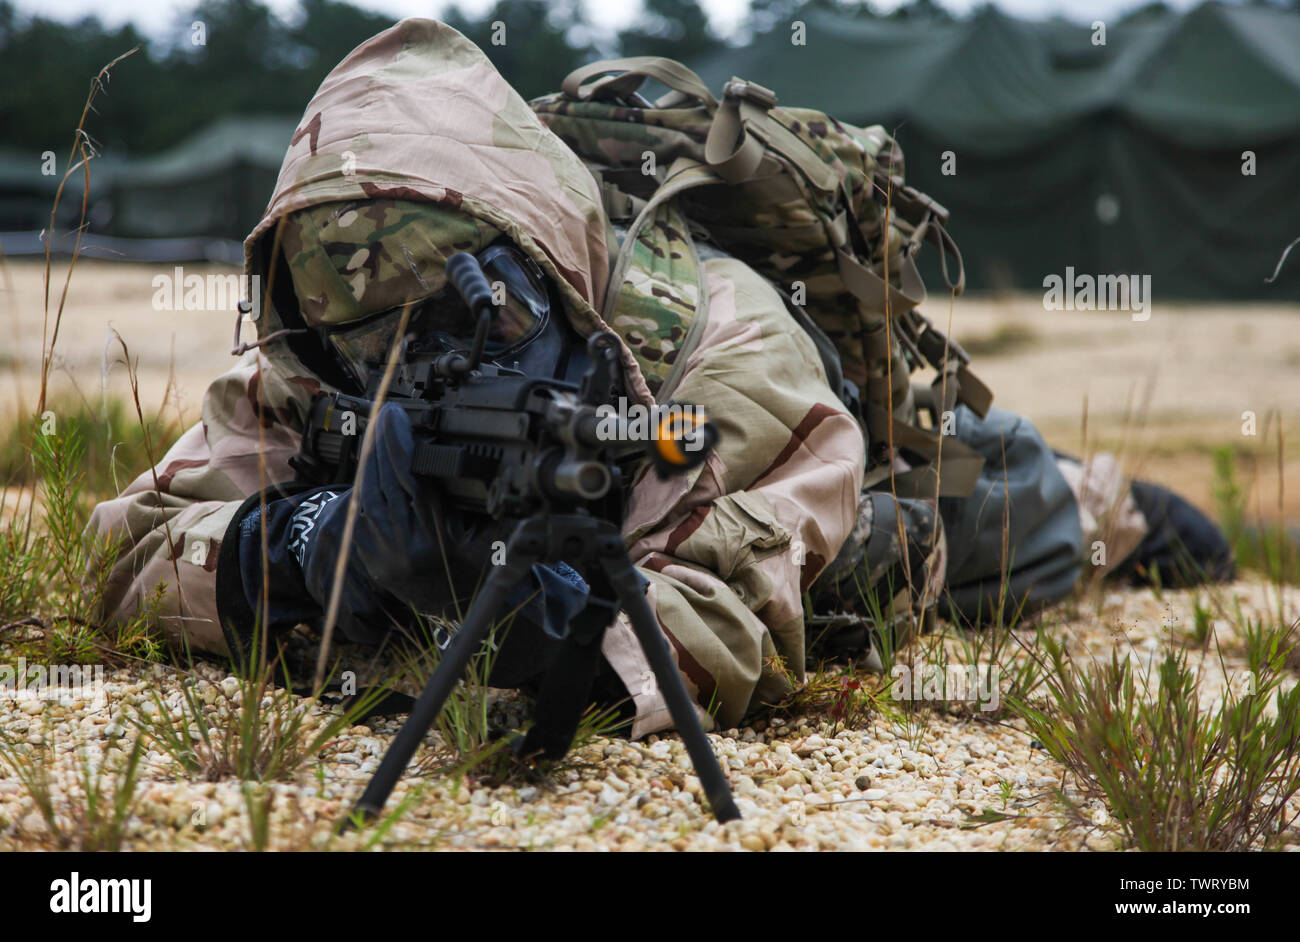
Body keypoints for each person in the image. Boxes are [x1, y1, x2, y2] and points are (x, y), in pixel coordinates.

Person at [89, 18, 1233, 739]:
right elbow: (129, 544)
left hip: (825, 473)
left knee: (977, 520)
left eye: (445, 330)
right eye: (361, 345)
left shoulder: (719, 348)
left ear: (540, 277)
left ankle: (1117, 508)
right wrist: (297, 550)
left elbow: (727, 614)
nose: (396, 374)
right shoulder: (324, 349)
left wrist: (553, 647)